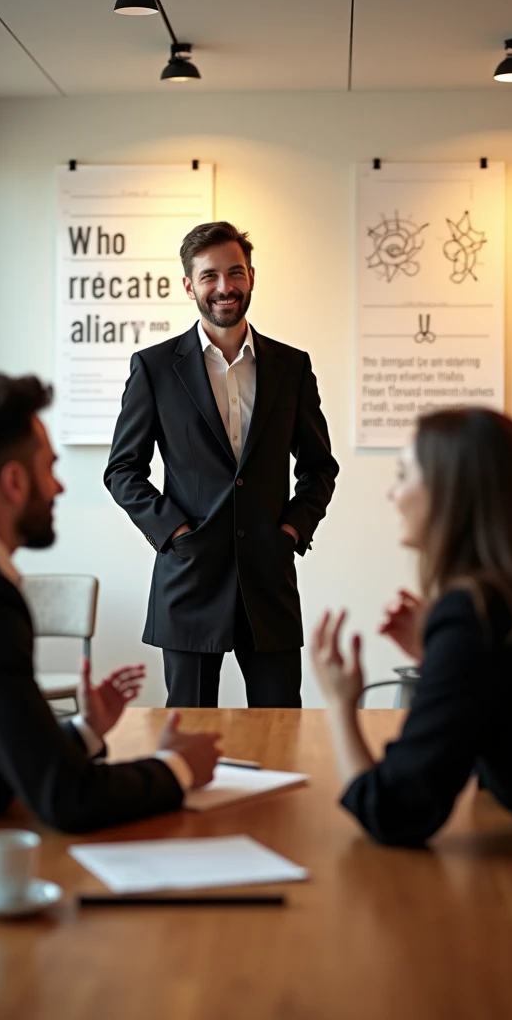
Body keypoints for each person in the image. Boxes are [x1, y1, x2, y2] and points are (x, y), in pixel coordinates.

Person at [0, 374, 221, 922]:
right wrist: (177, 769)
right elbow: (66, 801)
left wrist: (86, 732)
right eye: (50, 468)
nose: (59, 487)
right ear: (14, 481)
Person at [311, 407, 512, 907]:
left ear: (452, 493)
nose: (393, 495)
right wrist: (439, 658)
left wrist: (341, 704)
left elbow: (398, 813)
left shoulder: (476, 613)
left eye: (404, 476)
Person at [104, 221, 338, 708]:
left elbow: (319, 467)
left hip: (268, 580)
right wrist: (174, 533)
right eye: (209, 276)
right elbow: (123, 469)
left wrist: (292, 530)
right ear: (189, 285)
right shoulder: (154, 367)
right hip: (188, 579)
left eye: (235, 273)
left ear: (252, 276)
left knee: (281, 725)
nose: (225, 287)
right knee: (187, 730)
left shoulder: (291, 367)